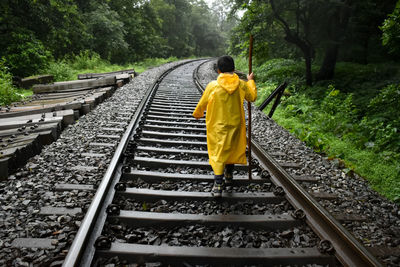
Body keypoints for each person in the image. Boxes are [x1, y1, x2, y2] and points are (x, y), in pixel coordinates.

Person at [192, 55, 257, 197]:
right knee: (231, 149)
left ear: (219, 70)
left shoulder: (212, 86)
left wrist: (197, 114)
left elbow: (202, 103)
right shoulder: (241, 84)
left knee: (218, 153)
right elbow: (252, 97)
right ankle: (229, 175)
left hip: (217, 126)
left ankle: (218, 183)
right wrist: (251, 81)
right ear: (233, 69)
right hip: (235, 125)